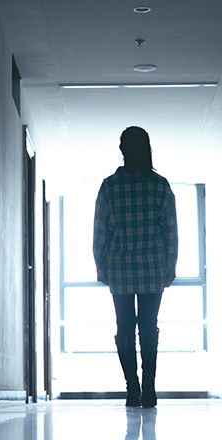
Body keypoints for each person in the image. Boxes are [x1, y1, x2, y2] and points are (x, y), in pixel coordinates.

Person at [93, 126, 178, 408]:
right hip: (153, 267)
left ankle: (132, 387)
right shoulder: (160, 185)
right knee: (149, 327)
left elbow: (101, 232)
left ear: (122, 151)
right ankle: (150, 387)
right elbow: (170, 232)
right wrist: (170, 267)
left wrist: (101, 268)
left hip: (120, 269)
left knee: (125, 328)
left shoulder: (109, 187)